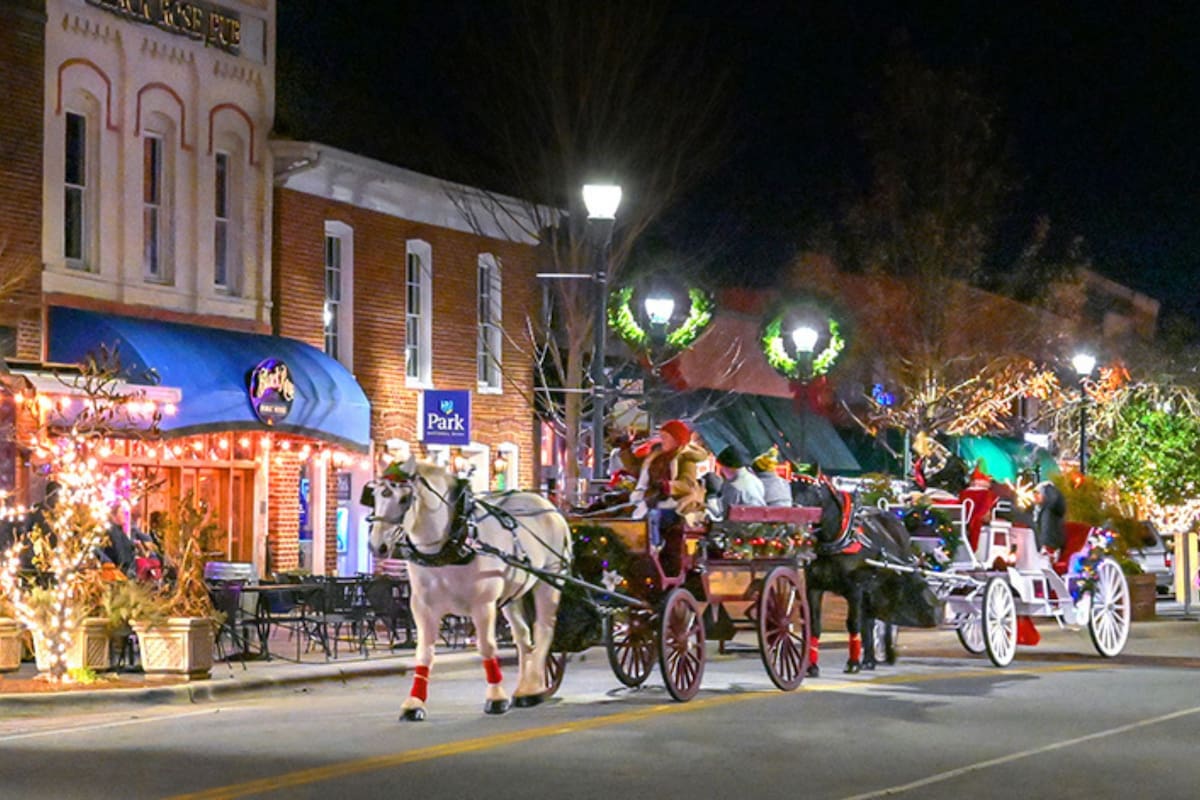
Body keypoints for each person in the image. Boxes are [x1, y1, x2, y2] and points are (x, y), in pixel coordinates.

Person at [631, 418, 707, 541]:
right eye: (661, 437)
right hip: (653, 500)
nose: (662, 441)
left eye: (665, 437)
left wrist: (668, 486)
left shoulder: (685, 459)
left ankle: (654, 545)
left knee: (653, 515)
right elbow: (640, 473)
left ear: (676, 440)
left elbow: (688, 486)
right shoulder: (656, 457)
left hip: (677, 505)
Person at [714, 444, 766, 514]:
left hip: (741, 522)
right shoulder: (756, 480)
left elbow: (725, 512)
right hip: (759, 518)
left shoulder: (733, 487)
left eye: (722, 468)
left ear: (729, 468)